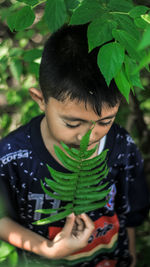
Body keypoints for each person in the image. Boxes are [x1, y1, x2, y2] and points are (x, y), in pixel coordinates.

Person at [0, 24, 149, 267]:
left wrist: (129, 257)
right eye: (72, 123)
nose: (89, 137)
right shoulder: (11, 159)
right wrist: (47, 250)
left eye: (105, 121)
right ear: (40, 100)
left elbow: (129, 214)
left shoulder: (122, 147)